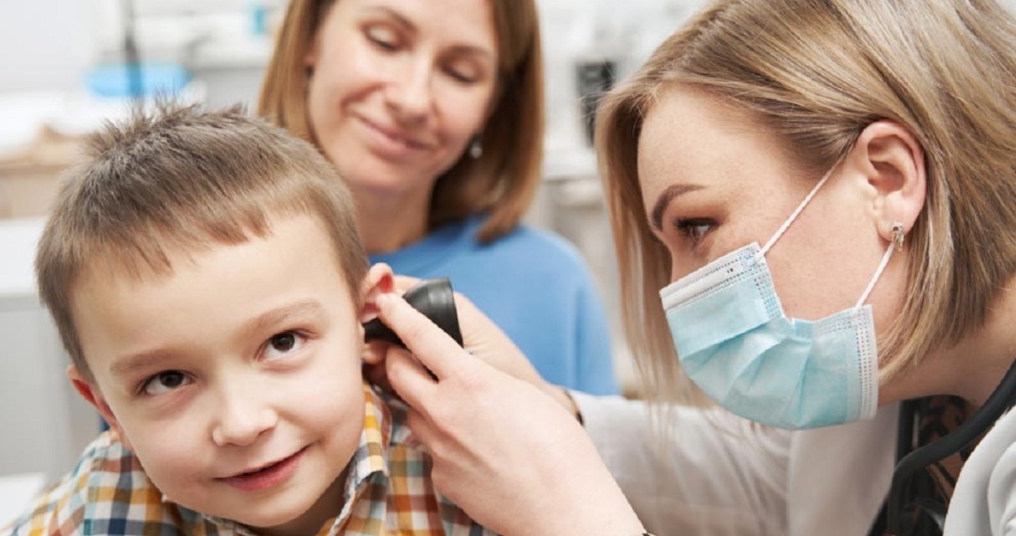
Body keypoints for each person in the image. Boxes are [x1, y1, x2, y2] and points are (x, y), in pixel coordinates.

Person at [364, 0, 1016, 534]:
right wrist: (551, 418)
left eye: (697, 227)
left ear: (887, 178)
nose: (679, 292)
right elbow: (777, 482)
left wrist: (567, 516)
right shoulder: (904, 378)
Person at [2, 103, 496, 535]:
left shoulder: (469, 478)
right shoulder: (103, 500)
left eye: (283, 342)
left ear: (364, 317)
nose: (241, 424)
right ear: (106, 408)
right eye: (167, 379)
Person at [257, 0, 619, 394]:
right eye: (385, 43)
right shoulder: (196, 258)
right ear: (311, 37)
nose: (412, 101)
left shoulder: (553, 284)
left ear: (495, 104)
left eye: (460, 74)